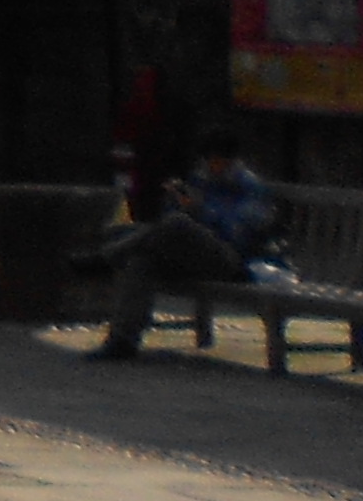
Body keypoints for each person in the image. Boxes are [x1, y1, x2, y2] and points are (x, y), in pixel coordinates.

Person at [88, 132, 284, 361]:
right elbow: (166, 226)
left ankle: (105, 257)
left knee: (176, 223)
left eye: (215, 161)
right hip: (193, 257)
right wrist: (175, 203)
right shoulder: (199, 182)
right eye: (207, 160)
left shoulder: (249, 188)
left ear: (229, 160)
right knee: (142, 261)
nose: (209, 166)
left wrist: (201, 211)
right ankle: (123, 341)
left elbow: (241, 233)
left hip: (233, 260)